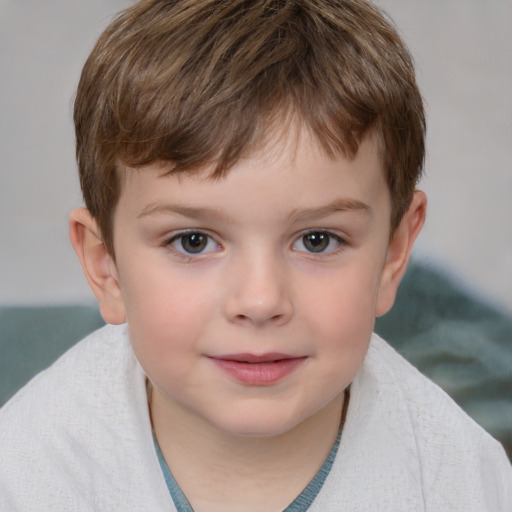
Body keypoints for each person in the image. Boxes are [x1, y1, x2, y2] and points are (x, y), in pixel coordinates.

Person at [0, 0, 510, 509]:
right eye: (193, 241)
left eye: (318, 240)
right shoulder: (28, 472)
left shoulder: (459, 481)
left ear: (393, 256)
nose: (261, 300)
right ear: (105, 266)